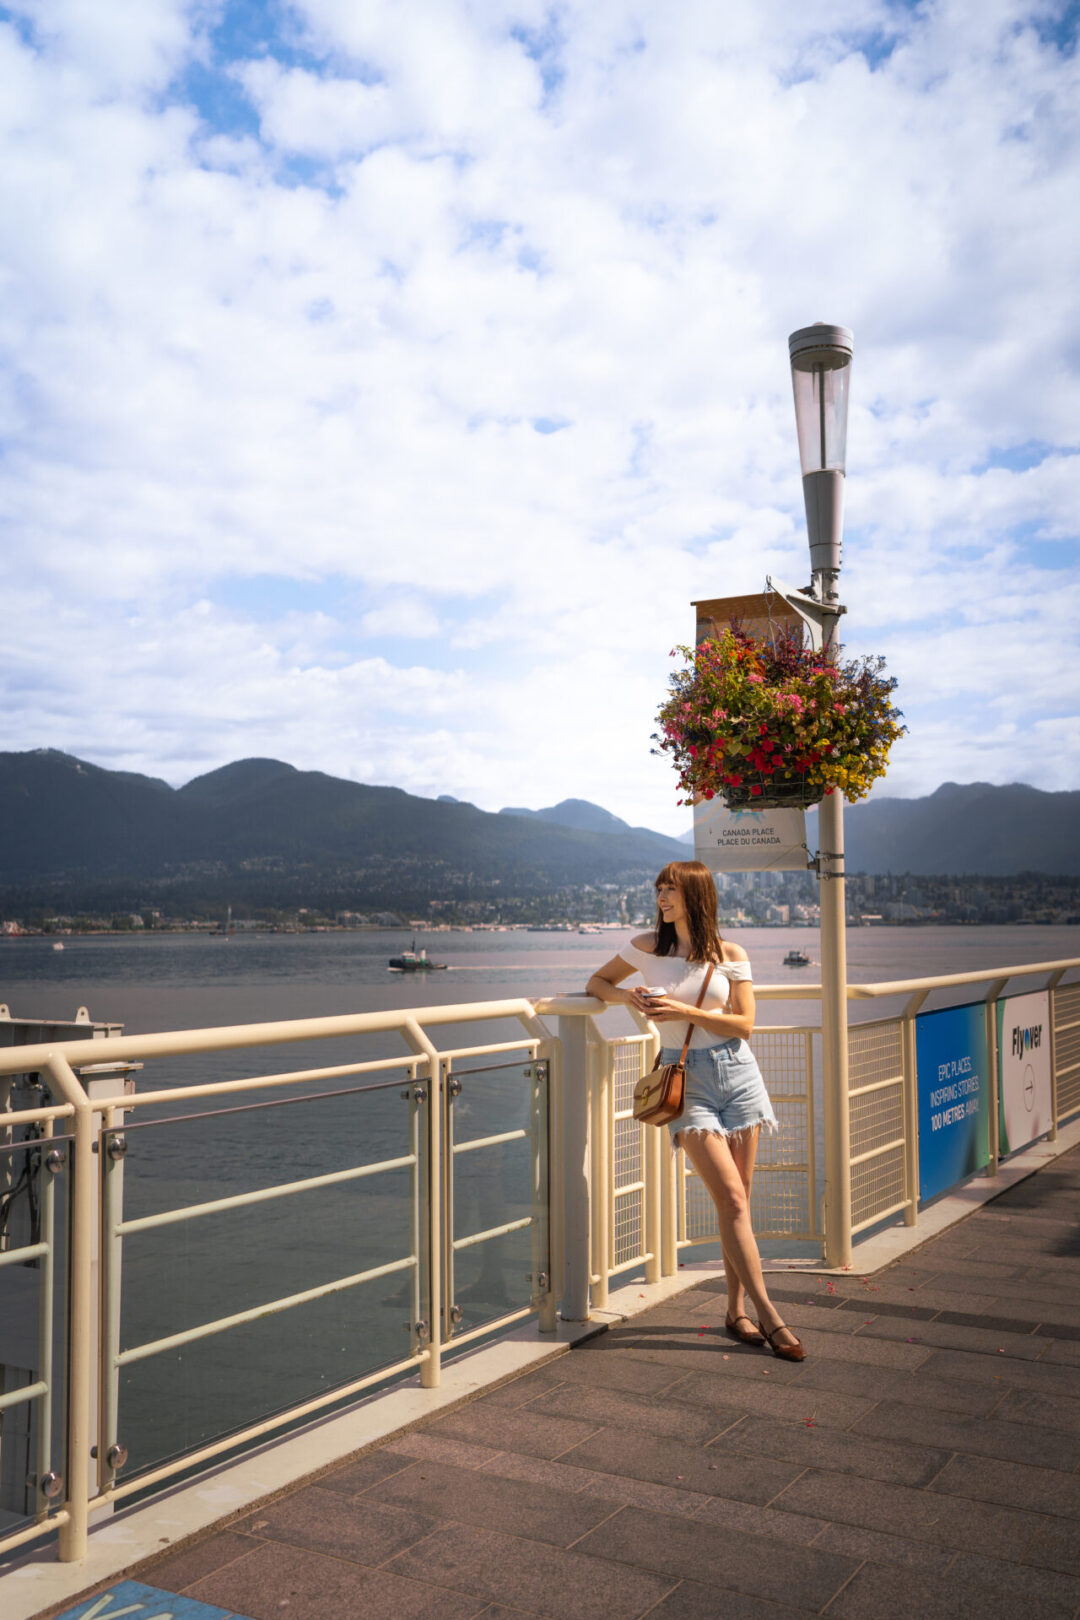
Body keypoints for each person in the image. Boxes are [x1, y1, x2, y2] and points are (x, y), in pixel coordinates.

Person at [585, 860, 805, 1361]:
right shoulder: (645, 948)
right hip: (687, 1083)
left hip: (739, 1075)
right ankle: (771, 1315)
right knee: (729, 1197)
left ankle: (735, 1309)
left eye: (672, 890)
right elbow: (597, 982)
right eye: (659, 888)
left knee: (740, 1201)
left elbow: (745, 1024)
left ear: (697, 896)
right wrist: (629, 997)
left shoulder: (730, 954)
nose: (662, 897)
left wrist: (683, 1011)